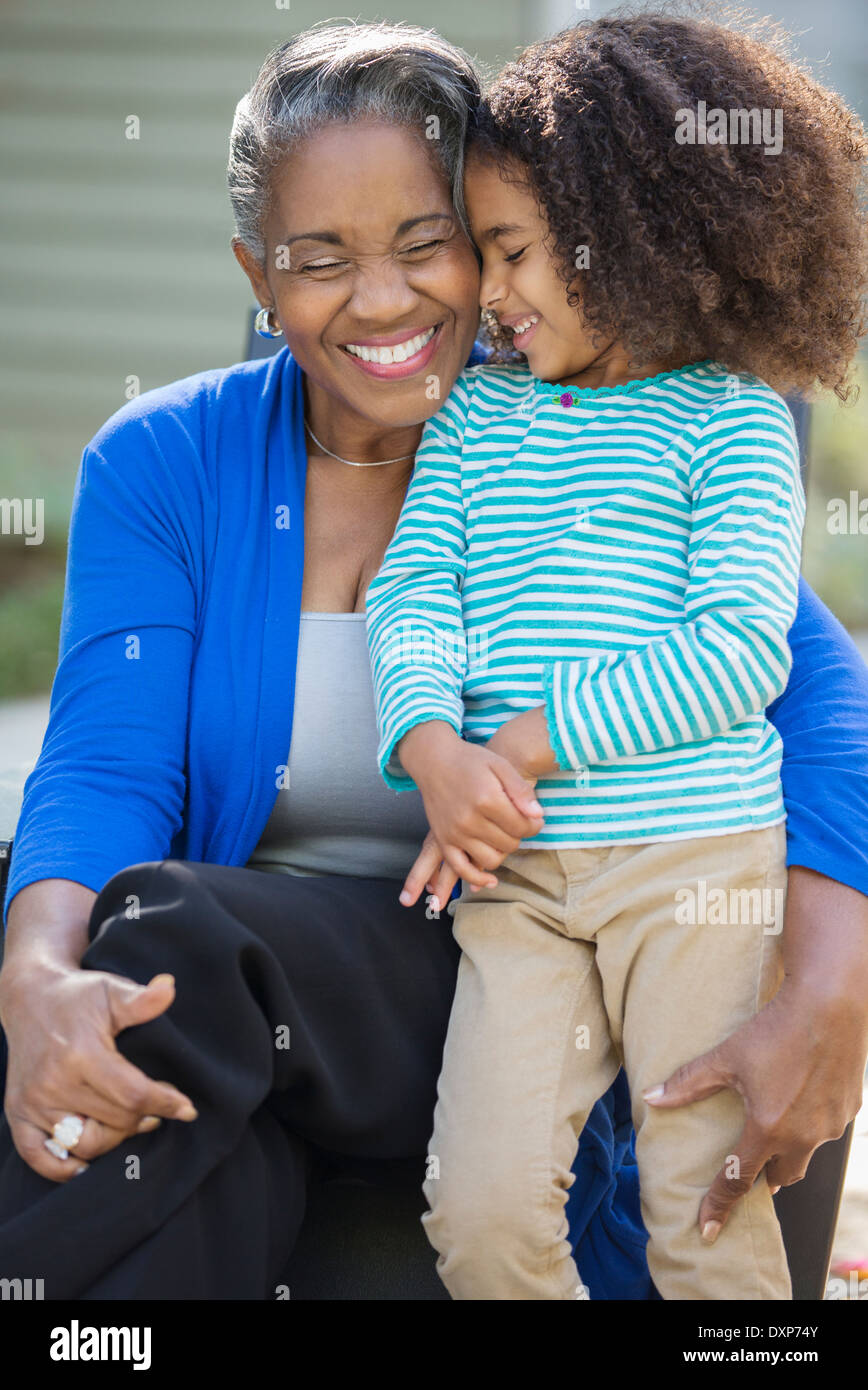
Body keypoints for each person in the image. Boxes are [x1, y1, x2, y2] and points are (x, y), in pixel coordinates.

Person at [0, 19, 866, 1301]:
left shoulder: (589, 422)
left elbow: (806, 690)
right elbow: (101, 771)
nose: (384, 299)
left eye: (430, 242)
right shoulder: (164, 463)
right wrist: (36, 985)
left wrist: (833, 990)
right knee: (164, 1087)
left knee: (177, 933)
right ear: (257, 270)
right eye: (319, 260)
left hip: (503, 958)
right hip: (243, 1026)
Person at [365, 13, 868, 1300]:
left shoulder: (734, 422)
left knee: (700, 1216)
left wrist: (523, 740)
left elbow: (739, 651)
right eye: (481, 254)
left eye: (516, 251)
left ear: (636, 238)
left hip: (693, 869)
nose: (491, 290)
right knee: (477, 1216)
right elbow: (415, 589)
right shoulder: (478, 414)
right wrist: (429, 742)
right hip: (522, 885)